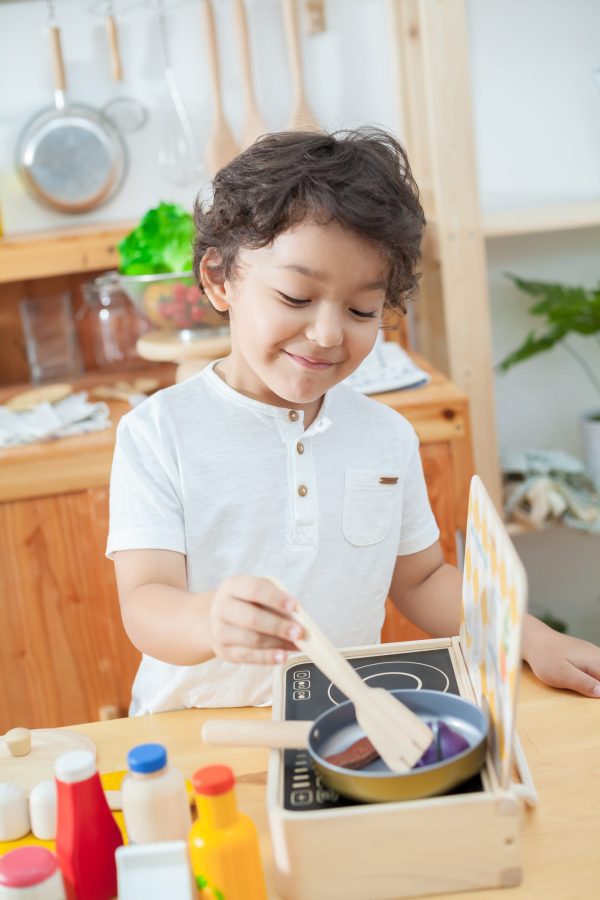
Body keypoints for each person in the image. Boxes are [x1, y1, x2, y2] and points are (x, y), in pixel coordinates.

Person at [107, 128, 600, 715]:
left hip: (340, 723)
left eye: (362, 309)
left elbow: (421, 581)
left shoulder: (386, 436)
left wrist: (532, 637)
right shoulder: (159, 433)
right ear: (219, 279)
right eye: (295, 296)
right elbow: (145, 602)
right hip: (194, 733)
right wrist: (207, 620)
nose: (327, 333)